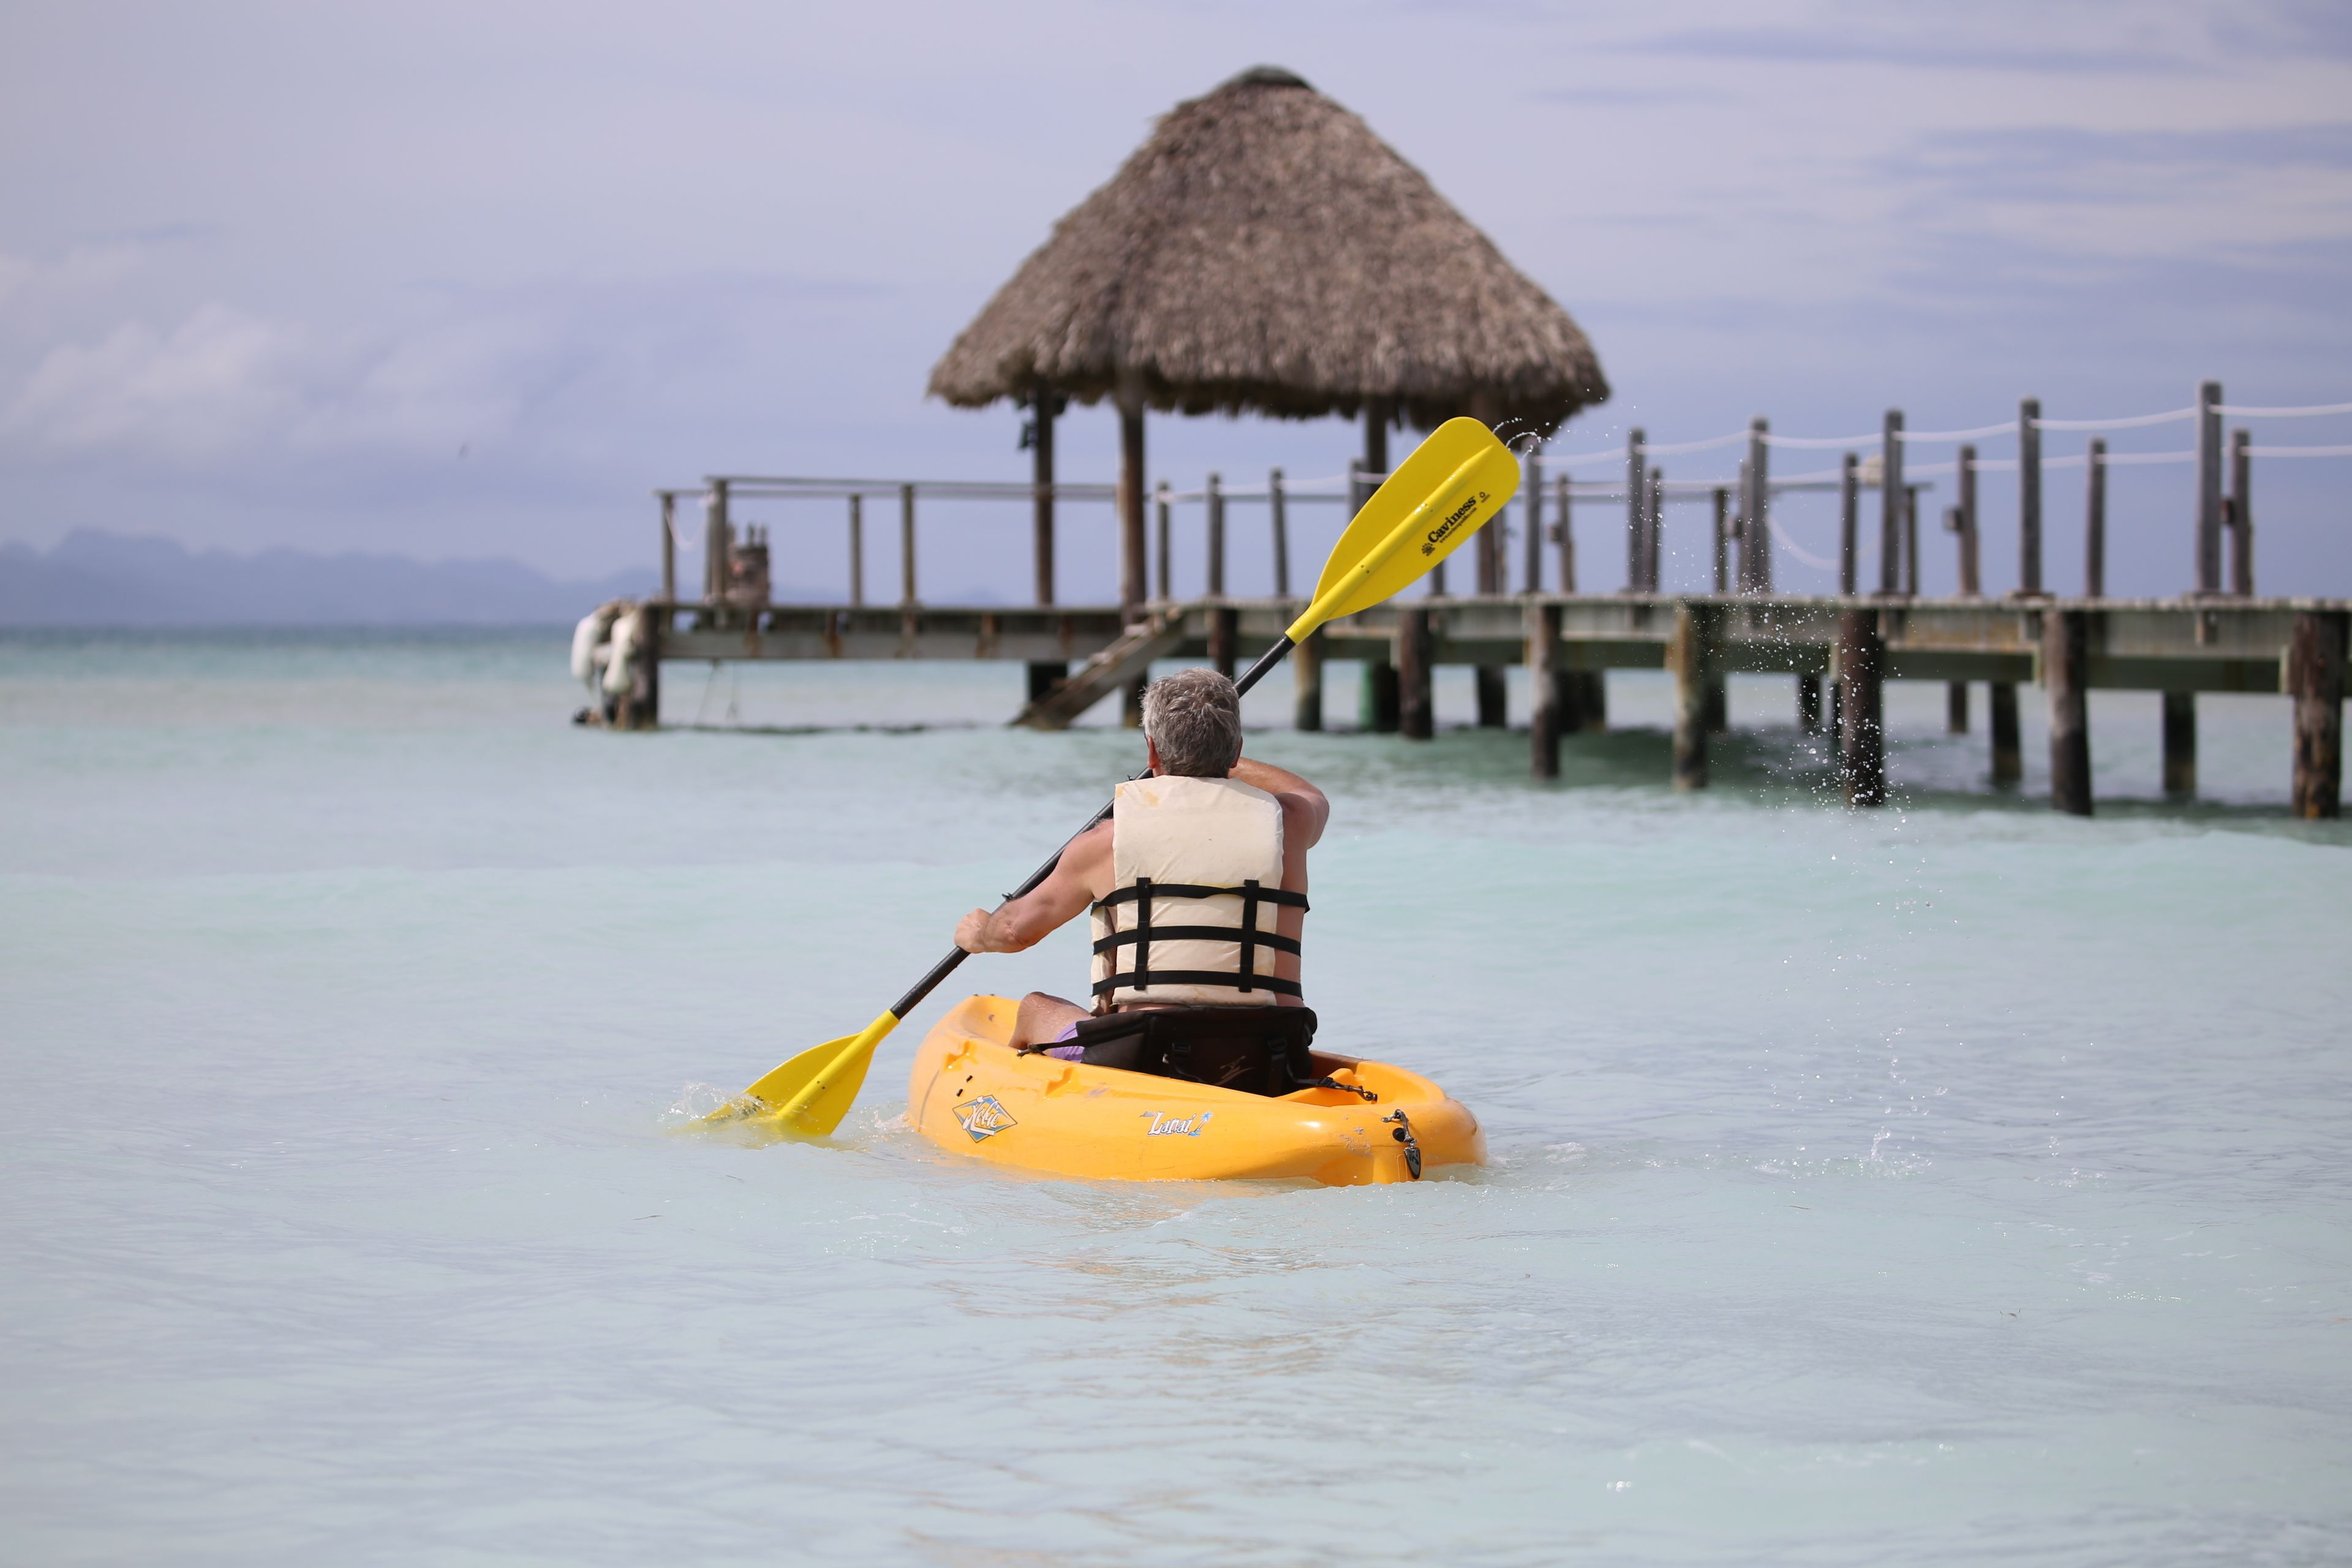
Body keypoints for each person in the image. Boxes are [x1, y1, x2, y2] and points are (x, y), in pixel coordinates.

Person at [954, 667, 1329, 1080]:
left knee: (1035, 1008)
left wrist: (979, 934)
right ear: (1237, 750)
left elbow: (1015, 933)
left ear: (1152, 752)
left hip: (1148, 1059)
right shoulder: (1290, 822)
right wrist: (1215, 756)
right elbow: (1310, 793)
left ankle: (1019, 1111)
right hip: (1272, 1051)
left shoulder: (1105, 842)